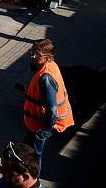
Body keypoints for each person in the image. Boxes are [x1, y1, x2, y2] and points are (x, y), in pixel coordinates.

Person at [23, 39, 73, 176]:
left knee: (34, 155)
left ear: (48, 57)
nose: (32, 56)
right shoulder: (51, 66)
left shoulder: (46, 77)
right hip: (34, 123)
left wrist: (45, 130)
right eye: (31, 52)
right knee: (28, 150)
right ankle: (26, 173)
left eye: (37, 55)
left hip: (39, 126)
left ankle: (33, 179)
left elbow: (52, 109)